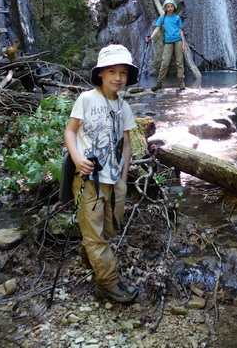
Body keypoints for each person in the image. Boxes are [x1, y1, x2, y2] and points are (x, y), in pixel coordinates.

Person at [64, 44, 138, 303]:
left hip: (115, 179)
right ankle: (108, 283)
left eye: (123, 73)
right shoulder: (86, 99)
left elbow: (126, 143)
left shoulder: (124, 107)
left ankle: (91, 254)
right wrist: (76, 158)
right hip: (89, 180)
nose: (117, 77)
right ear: (100, 74)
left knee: (111, 228)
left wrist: (125, 179)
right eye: (111, 71)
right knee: (96, 234)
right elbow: (70, 131)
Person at [146, 0, 186, 91]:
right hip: (168, 42)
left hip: (178, 41)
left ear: (174, 7)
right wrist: (150, 38)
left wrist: (184, 44)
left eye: (171, 6)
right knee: (164, 62)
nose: (170, 8)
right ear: (165, 8)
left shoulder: (177, 18)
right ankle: (159, 82)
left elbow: (180, 31)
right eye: (168, 7)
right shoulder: (162, 18)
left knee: (179, 62)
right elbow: (157, 29)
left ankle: (181, 82)